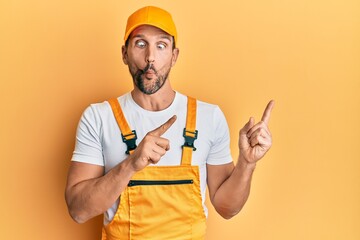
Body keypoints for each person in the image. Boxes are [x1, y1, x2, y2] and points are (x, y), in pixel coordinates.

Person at [65, 5, 274, 240]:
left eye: (161, 45)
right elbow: (78, 211)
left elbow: (227, 208)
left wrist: (246, 163)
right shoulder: (98, 117)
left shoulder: (209, 117)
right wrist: (131, 165)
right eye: (140, 44)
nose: (150, 57)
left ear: (174, 55)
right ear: (124, 53)